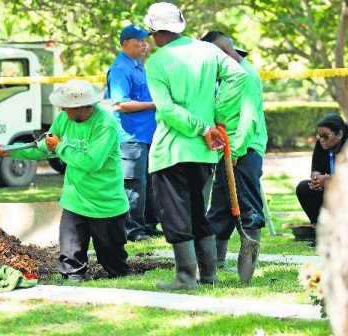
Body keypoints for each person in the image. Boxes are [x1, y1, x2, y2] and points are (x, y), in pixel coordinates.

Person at [143, 2, 247, 290]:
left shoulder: (157, 62)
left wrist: (203, 128)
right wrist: (218, 116)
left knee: (175, 214)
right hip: (204, 151)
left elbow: (165, 109)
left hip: (172, 151)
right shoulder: (208, 50)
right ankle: (209, 275)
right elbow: (238, 75)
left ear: (152, 30)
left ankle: (186, 277)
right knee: (198, 210)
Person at [0, 79, 130, 281]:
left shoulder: (105, 125)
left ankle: (118, 279)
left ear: (81, 106)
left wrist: (60, 147)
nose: (61, 108)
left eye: (66, 105)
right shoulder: (64, 119)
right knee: (70, 258)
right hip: (75, 200)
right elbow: (43, 147)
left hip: (106, 203)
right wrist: (10, 152)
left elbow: (91, 162)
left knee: (114, 264)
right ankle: (73, 280)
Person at [201, 31, 268, 275]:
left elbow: (249, 119)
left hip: (244, 151)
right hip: (226, 152)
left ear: (225, 55)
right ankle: (214, 263)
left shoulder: (247, 76)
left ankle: (246, 269)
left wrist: (237, 150)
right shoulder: (228, 77)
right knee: (219, 209)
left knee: (248, 208)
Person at [105, 24, 161, 242]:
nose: (144, 43)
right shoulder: (120, 69)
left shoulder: (138, 65)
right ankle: (133, 230)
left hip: (147, 134)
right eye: (139, 40)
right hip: (130, 137)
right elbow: (120, 104)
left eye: (146, 40)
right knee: (134, 183)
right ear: (125, 43)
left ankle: (148, 224)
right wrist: (153, 105)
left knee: (148, 181)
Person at [296, 113, 348, 247]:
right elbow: (315, 168)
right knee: (303, 188)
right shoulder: (321, 145)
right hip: (331, 188)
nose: (322, 140)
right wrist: (316, 179)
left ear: (339, 134)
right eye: (319, 136)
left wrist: (329, 179)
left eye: (326, 136)